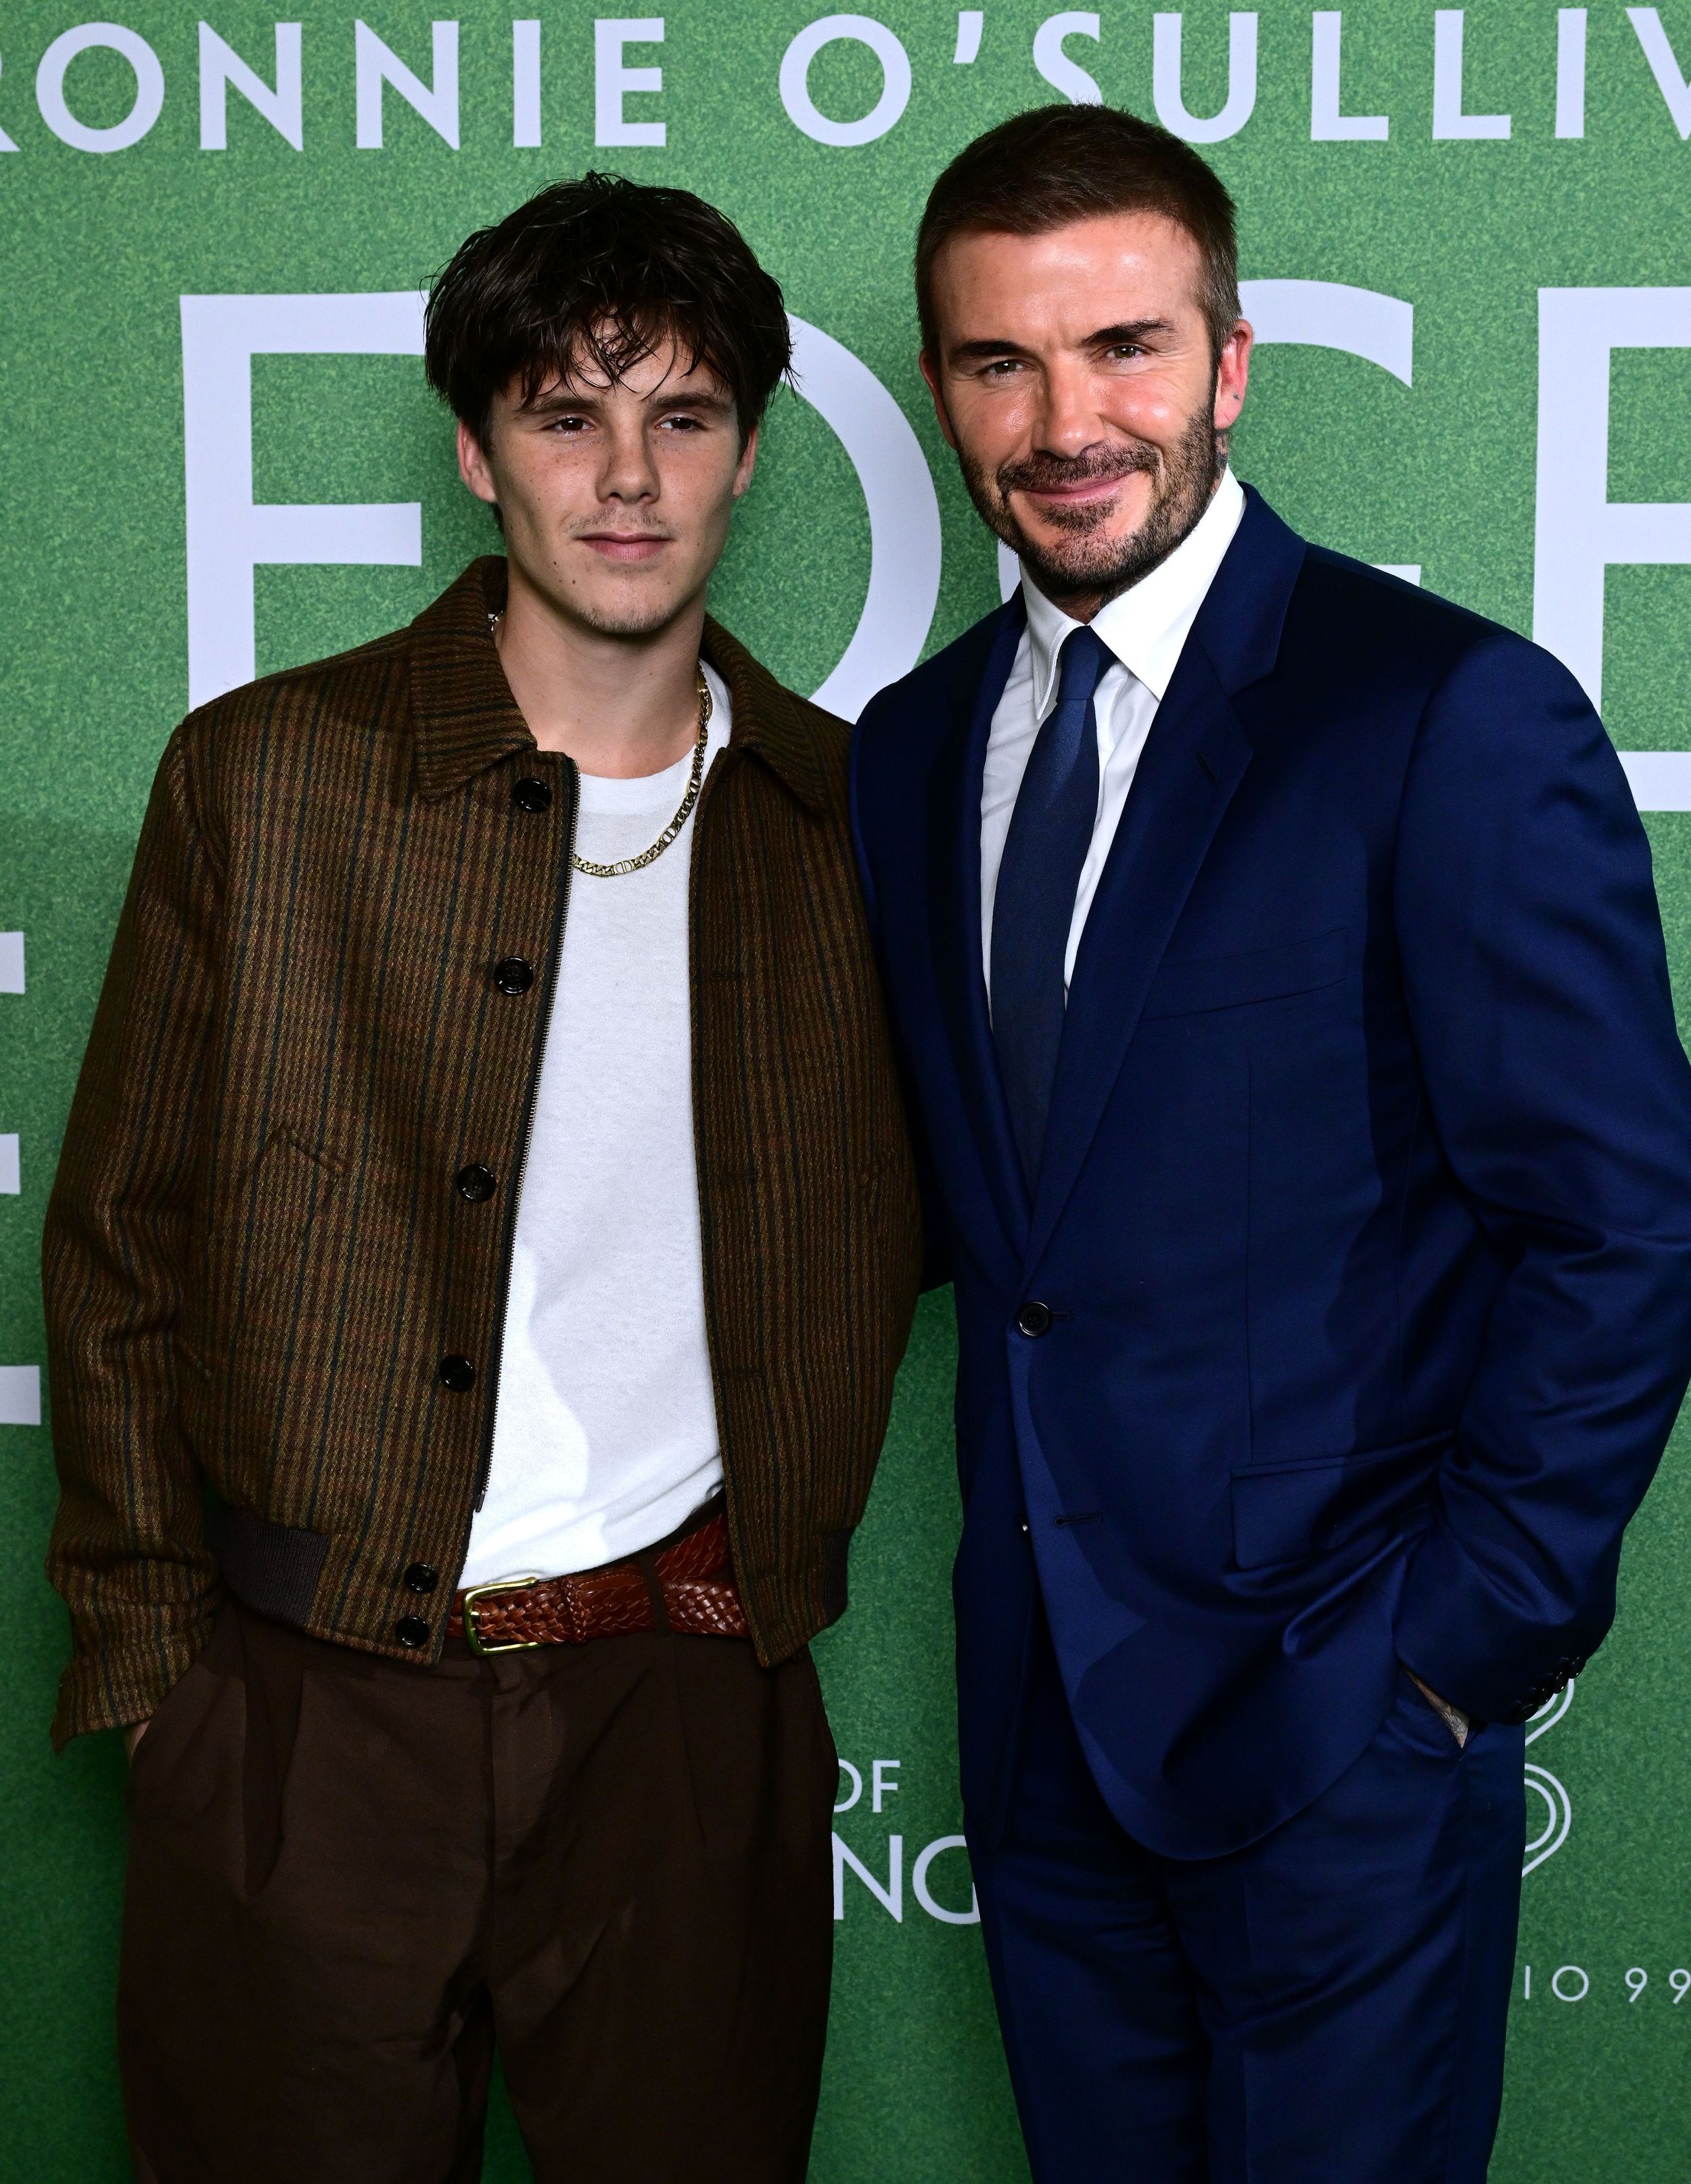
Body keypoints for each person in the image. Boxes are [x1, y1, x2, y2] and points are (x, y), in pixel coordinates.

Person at [44, 172, 920, 2184]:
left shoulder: (843, 829)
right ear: (475, 449)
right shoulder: (267, 780)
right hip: (304, 1715)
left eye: (681, 417)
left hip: (687, 1711)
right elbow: (115, 1251)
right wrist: (166, 1689)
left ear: (748, 455)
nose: (626, 476)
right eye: (562, 413)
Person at [850, 103, 1691, 2181]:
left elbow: (1618, 1226)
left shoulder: (1441, 716)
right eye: (999, 363)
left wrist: (1449, 1655)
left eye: (1123, 348)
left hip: (1346, 1722)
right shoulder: (908, 750)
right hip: (1043, 1725)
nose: (1067, 420)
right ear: (946, 390)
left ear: (1227, 365)